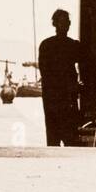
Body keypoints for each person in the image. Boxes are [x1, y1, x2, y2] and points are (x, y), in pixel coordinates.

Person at [38, 9, 85, 146]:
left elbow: (87, 62)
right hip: (56, 98)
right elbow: (45, 73)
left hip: (61, 98)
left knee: (68, 138)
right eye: (62, 22)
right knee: (58, 139)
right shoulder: (47, 46)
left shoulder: (73, 45)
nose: (65, 25)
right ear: (55, 24)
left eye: (67, 22)